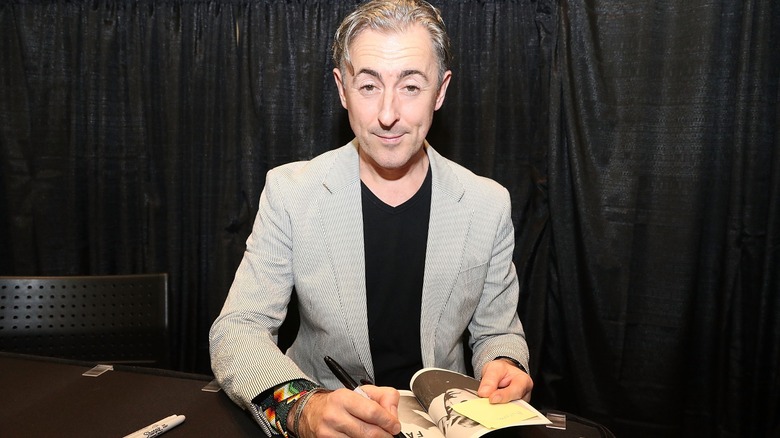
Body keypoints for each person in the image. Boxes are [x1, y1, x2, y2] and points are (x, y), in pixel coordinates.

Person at [209, 1, 533, 437]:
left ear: (440, 90)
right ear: (343, 89)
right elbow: (238, 329)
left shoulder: (487, 204)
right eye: (368, 86)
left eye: (411, 87)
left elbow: (498, 332)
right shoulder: (291, 193)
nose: (386, 114)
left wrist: (505, 362)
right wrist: (303, 408)